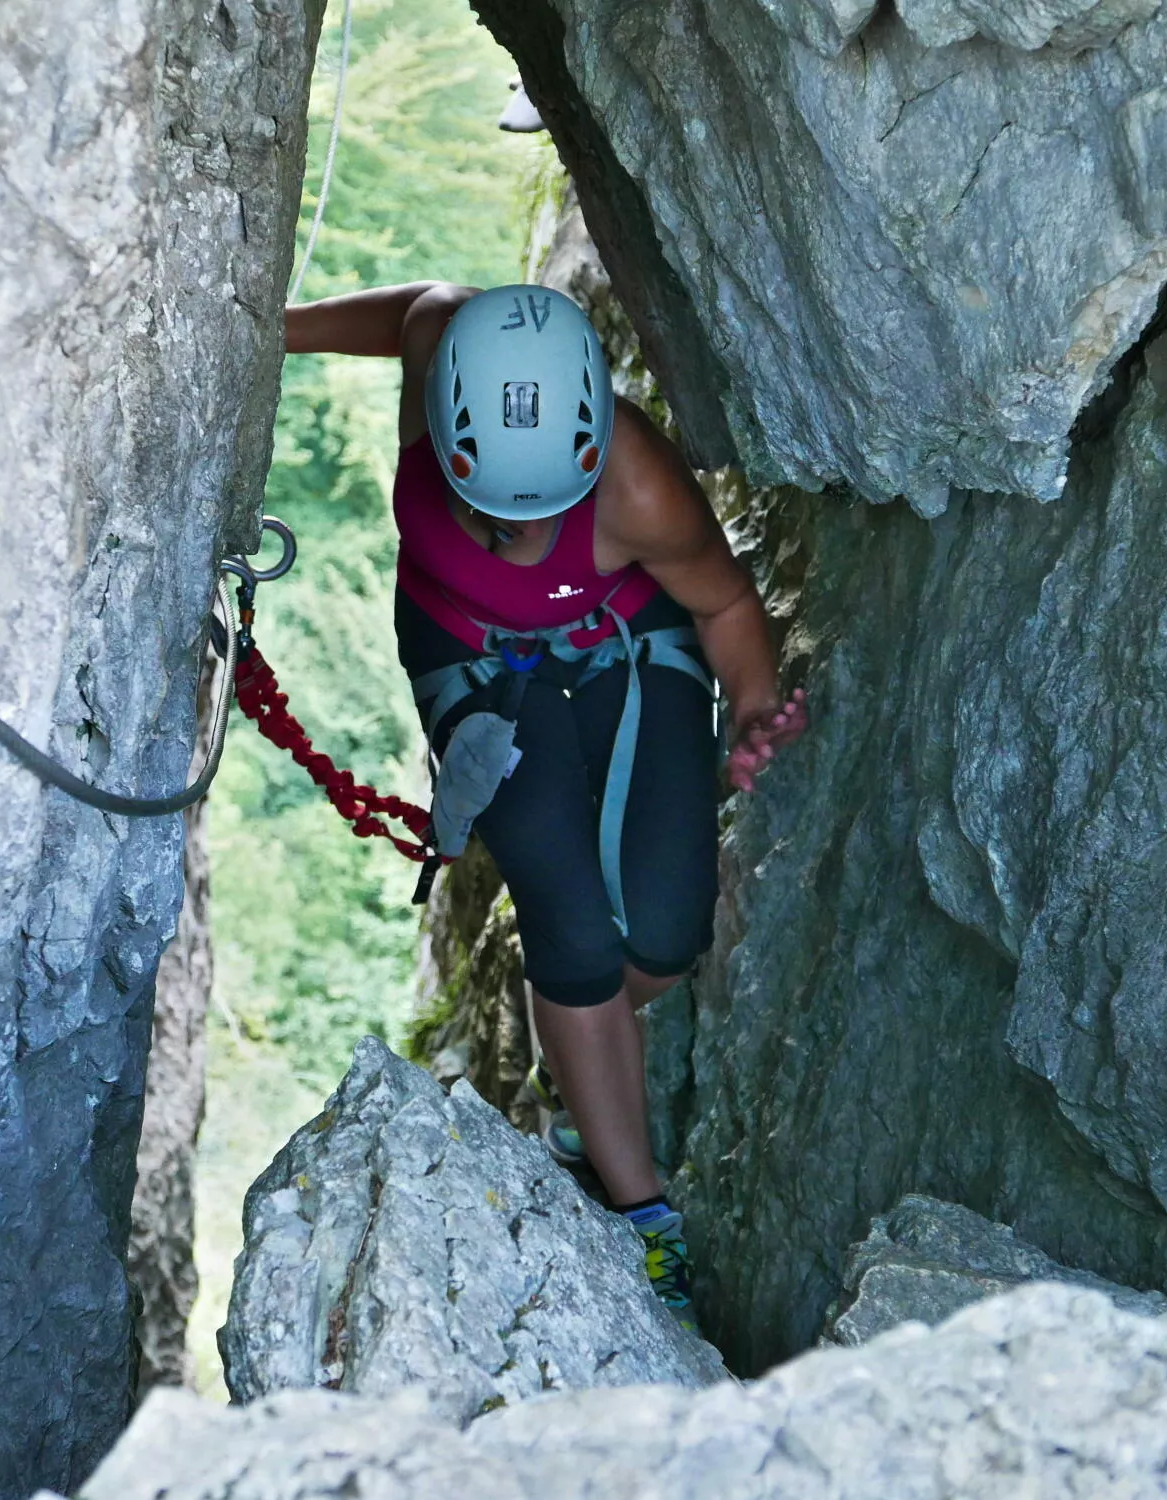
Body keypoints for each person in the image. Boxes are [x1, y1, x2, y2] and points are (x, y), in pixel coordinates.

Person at [282, 281, 806, 1332]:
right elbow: (419, 308)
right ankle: (639, 1209)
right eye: (487, 508)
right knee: (569, 934)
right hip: (462, 648)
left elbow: (721, 600)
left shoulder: (638, 486)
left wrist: (752, 707)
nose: (510, 533)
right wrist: (272, 330)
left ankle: (577, 1076)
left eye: (537, 512)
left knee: (662, 939)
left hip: (619, 635)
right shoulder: (440, 348)